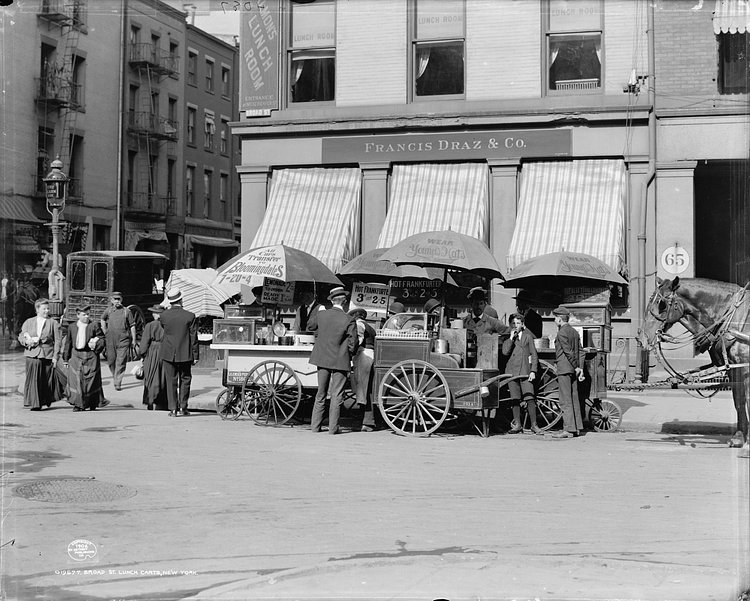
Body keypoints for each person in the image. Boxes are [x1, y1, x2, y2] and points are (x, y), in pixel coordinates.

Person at [308, 286, 358, 435]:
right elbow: (353, 343)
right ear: (344, 302)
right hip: (340, 361)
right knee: (337, 395)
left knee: (320, 394)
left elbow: (310, 325)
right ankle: (333, 428)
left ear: (332, 300)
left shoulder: (322, 315)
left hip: (322, 358)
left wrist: (318, 311)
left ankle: (315, 427)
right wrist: (348, 354)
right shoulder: (349, 319)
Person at [159, 289, 199, 417]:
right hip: (185, 352)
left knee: (171, 380)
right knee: (185, 379)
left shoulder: (164, 316)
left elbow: (164, 330)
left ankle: (173, 409)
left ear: (170, 301)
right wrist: (196, 355)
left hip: (168, 352)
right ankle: (183, 407)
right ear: (181, 300)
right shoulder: (190, 316)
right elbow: (194, 337)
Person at [18, 298, 61, 411]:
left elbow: (58, 341)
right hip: (32, 354)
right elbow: (21, 336)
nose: (47, 311)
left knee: (44, 379)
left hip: (47, 355)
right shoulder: (29, 322)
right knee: (33, 379)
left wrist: (56, 357)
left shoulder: (53, 323)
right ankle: (35, 403)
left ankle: (43, 400)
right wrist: (26, 341)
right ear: (37, 309)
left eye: (48, 308)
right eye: (44, 309)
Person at [61, 304, 106, 411]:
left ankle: (92, 403)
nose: (86, 317)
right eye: (84, 315)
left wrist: (96, 343)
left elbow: (102, 338)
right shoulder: (72, 327)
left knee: (91, 380)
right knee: (77, 381)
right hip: (76, 356)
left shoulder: (94, 325)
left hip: (91, 356)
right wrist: (66, 359)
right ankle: (78, 404)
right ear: (78, 315)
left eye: (88, 314)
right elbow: (68, 343)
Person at [502, 313, 541, 434]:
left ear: (522, 325)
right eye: (513, 323)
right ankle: (517, 424)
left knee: (530, 398)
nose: (515, 326)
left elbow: (534, 355)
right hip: (512, 372)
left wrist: (533, 371)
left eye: (518, 323)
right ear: (510, 325)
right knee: (515, 399)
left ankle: (534, 425)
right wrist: (510, 338)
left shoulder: (527, 337)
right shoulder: (507, 338)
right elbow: (505, 352)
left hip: (525, 371)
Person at [552, 306, 586, 438]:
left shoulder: (561, 333)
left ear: (560, 319)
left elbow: (568, 352)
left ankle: (568, 429)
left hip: (565, 369)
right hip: (573, 370)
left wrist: (576, 367)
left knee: (565, 400)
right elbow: (581, 352)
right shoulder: (574, 332)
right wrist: (580, 368)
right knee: (574, 398)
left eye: (555, 317)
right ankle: (577, 427)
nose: (554, 320)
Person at [101, 291, 137, 391]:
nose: (117, 301)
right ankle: (115, 375)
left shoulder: (127, 311)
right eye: (115, 299)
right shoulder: (108, 311)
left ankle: (118, 381)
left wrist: (133, 339)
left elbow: (132, 326)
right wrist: (105, 330)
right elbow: (103, 319)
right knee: (111, 360)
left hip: (123, 340)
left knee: (121, 361)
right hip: (110, 339)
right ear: (112, 300)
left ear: (121, 300)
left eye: (119, 299)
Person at [348, 307, 377, 432]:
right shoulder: (370, 327)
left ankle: (366, 422)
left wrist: (349, 352)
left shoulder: (359, 325)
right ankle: (368, 421)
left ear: (355, 316)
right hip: (371, 355)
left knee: (361, 389)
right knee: (367, 389)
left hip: (363, 355)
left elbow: (357, 341)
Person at [139, 304, 167, 411]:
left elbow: (144, 343)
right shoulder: (167, 325)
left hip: (152, 351)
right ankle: (161, 400)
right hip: (164, 351)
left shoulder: (150, 326)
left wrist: (143, 354)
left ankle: (151, 399)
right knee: (162, 375)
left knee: (151, 375)